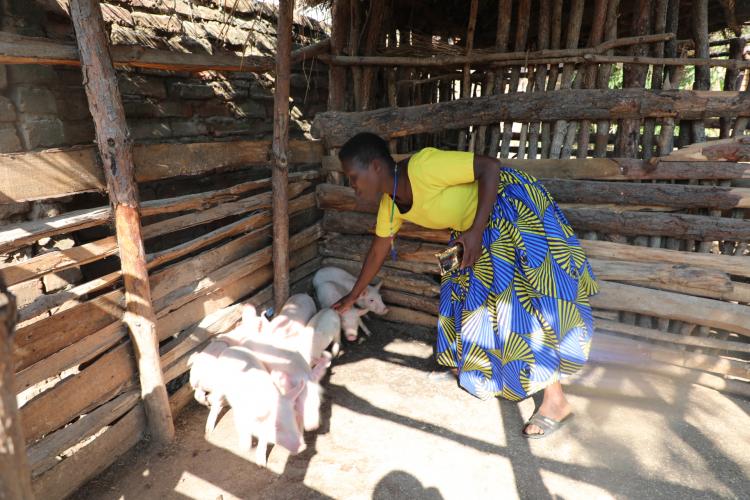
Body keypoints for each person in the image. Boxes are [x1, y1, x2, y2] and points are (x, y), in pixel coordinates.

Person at [331, 132, 599, 438]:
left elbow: (490, 167)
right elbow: (379, 249)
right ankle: (476, 367)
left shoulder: (423, 167)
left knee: (523, 301)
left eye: (353, 177)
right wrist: (353, 296)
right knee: (459, 293)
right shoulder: (390, 205)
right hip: (472, 229)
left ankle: (556, 402)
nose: (352, 185)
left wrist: (474, 232)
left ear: (376, 167)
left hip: (509, 208)